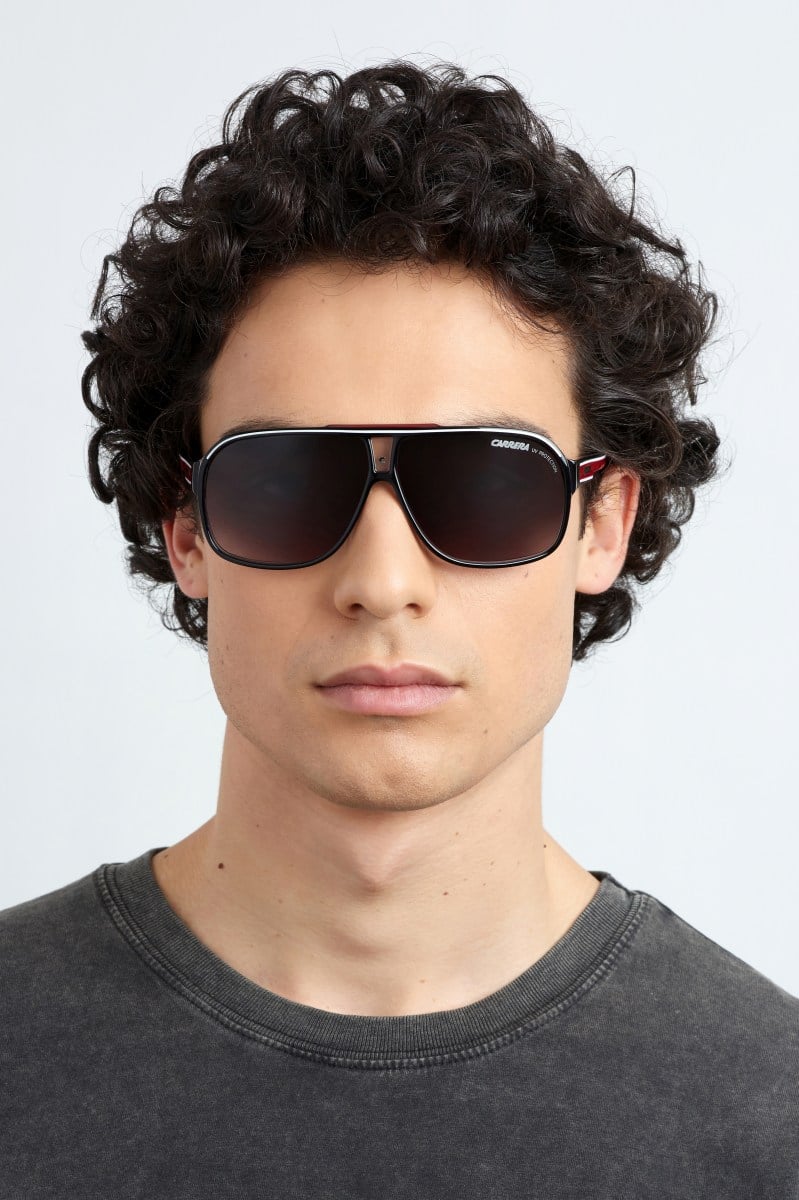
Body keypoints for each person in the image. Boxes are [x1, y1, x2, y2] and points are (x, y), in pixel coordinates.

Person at [1, 60, 796, 1197]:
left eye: (484, 481)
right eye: (284, 479)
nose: (381, 583)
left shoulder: (768, 1119)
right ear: (185, 526)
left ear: (602, 525)